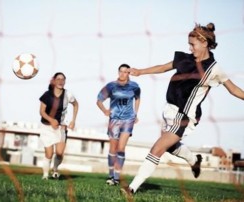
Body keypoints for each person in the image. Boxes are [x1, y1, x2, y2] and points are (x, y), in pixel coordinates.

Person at [121, 22, 244, 196]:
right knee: (170, 147)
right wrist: (141, 71)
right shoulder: (184, 59)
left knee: (158, 148)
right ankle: (194, 159)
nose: (190, 48)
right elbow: (163, 67)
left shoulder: (214, 68)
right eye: (189, 44)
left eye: (192, 44)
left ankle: (132, 188)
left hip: (185, 115)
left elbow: (233, 89)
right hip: (169, 110)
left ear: (204, 43)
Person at [97, 64, 141, 186]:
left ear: (129, 73)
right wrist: (105, 111)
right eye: (121, 71)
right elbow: (99, 100)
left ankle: (116, 177)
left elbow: (137, 98)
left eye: (125, 72)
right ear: (118, 72)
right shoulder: (111, 86)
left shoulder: (134, 86)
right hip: (114, 120)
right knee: (113, 148)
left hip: (128, 120)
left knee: (121, 148)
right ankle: (111, 175)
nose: (122, 74)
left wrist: (135, 113)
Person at [39, 72, 79, 180]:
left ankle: (55, 169)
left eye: (63, 79)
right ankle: (45, 175)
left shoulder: (68, 94)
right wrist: (51, 120)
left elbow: (76, 104)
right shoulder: (47, 95)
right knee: (49, 153)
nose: (61, 81)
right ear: (54, 81)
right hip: (46, 127)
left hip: (61, 126)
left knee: (60, 153)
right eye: (58, 79)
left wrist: (73, 120)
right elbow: (42, 112)